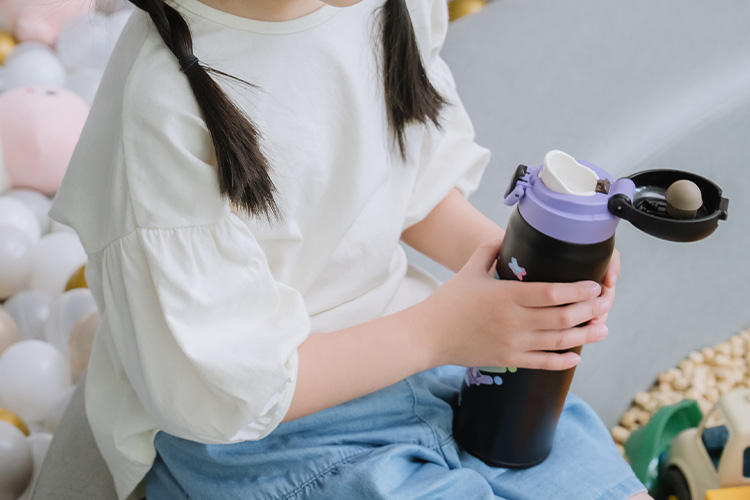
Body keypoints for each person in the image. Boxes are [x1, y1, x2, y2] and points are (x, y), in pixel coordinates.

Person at [48, 0, 652, 498]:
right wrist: (441, 332)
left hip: (426, 358)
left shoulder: (379, 8)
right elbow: (226, 391)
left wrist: (516, 271)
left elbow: (409, 181)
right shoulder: (162, 106)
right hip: (270, 440)